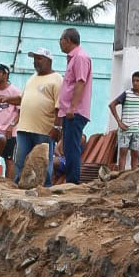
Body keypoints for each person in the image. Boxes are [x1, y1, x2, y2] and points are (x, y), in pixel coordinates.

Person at [10, 48, 61, 186]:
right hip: (24, 128)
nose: (35, 62)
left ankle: (45, 187)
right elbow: (22, 99)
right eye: (34, 59)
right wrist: (7, 99)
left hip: (44, 130)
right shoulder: (32, 78)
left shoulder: (57, 79)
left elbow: (59, 106)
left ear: (49, 60)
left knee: (43, 162)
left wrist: (57, 127)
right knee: (20, 160)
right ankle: (20, 184)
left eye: (39, 58)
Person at [57, 27, 93, 185]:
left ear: (68, 40)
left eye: (61, 40)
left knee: (72, 148)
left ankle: (72, 182)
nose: (60, 43)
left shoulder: (80, 57)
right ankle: (71, 180)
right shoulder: (74, 58)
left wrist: (72, 107)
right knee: (68, 147)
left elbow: (80, 82)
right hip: (69, 111)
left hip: (75, 112)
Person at [109, 71, 139, 171]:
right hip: (125, 129)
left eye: (138, 80)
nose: (135, 83)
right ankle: (121, 175)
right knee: (123, 153)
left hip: (137, 130)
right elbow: (112, 105)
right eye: (133, 81)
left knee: (135, 154)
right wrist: (119, 122)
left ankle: (133, 175)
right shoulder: (127, 94)